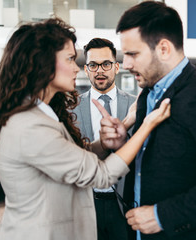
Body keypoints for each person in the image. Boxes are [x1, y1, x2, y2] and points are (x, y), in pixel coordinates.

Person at [0, 18, 170, 240]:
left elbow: (75, 156)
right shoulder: (30, 127)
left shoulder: (41, 116)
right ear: (44, 64)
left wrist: (106, 141)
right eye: (70, 59)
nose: (78, 68)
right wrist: (147, 123)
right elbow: (102, 175)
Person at [100, 1, 196, 240]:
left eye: (133, 54)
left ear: (163, 49)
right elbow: (152, 160)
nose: (126, 64)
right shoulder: (146, 95)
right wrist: (123, 143)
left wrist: (162, 215)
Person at [73, 37, 136, 240]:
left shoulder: (136, 106)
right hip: (85, 204)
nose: (100, 70)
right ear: (86, 69)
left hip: (125, 204)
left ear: (116, 67)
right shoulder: (70, 109)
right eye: (93, 65)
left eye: (106, 64)